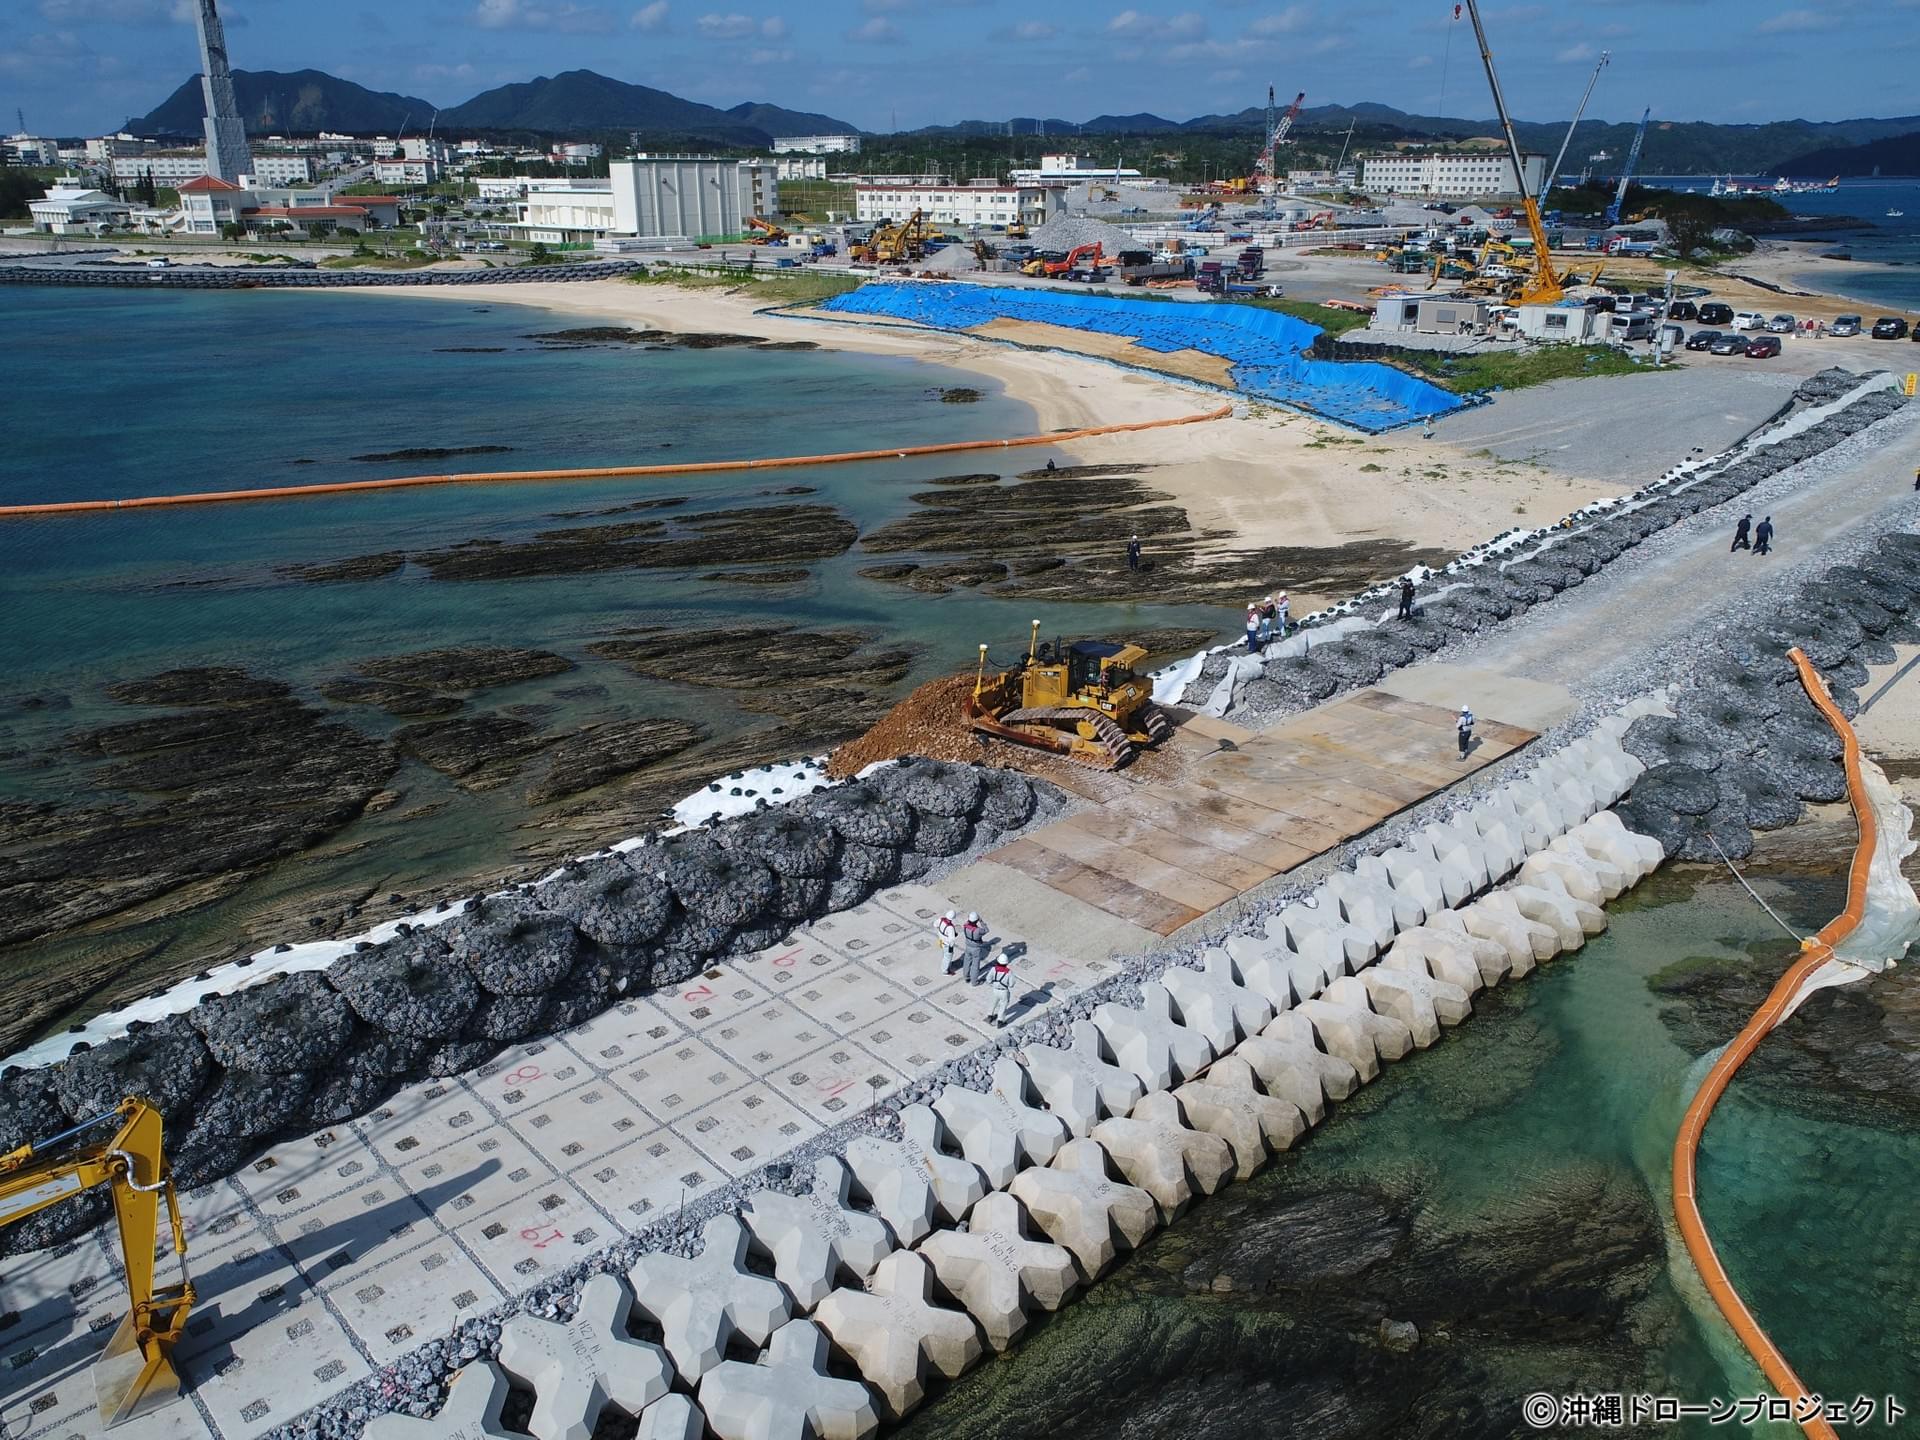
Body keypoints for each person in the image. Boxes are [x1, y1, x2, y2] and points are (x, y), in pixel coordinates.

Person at [986, 951, 1018, 1026]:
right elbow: (1011, 984)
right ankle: (1000, 1020)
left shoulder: (993, 969)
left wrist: (994, 983)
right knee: (1003, 1005)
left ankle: (990, 1015)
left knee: (993, 1003)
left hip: (995, 990)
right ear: (1006, 963)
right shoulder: (1009, 972)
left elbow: (988, 979)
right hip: (1004, 991)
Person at [962, 912, 989, 985]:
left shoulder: (965, 926)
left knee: (967, 962)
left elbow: (967, 921)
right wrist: (981, 921)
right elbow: (986, 930)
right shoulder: (978, 930)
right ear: (976, 921)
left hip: (968, 946)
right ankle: (974, 981)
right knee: (975, 965)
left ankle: (966, 977)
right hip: (976, 948)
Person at [936, 909, 960, 975]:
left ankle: (945, 963)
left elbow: (935, 925)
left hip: (940, 940)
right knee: (948, 956)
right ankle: (945, 971)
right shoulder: (950, 928)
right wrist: (951, 948)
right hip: (947, 944)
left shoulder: (940, 920)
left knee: (944, 953)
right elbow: (952, 939)